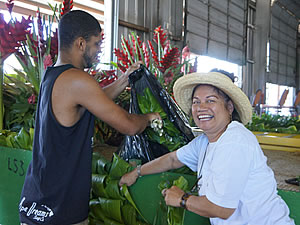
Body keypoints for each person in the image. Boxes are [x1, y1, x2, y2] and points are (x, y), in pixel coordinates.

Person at [19, 10, 161, 225]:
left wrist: (124, 78)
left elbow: (95, 100)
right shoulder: (78, 80)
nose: (98, 51)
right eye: (96, 44)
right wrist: (150, 116)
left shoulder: (53, 75)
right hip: (59, 209)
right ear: (81, 43)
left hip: (38, 202)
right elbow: (130, 126)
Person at [119, 70, 295, 225]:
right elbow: (173, 159)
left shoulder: (235, 141)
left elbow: (222, 209)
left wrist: (182, 199)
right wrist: (137, 172)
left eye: (211, 101)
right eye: (196, 102)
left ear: (229, 107)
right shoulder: (204, 141)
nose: (201, 108)